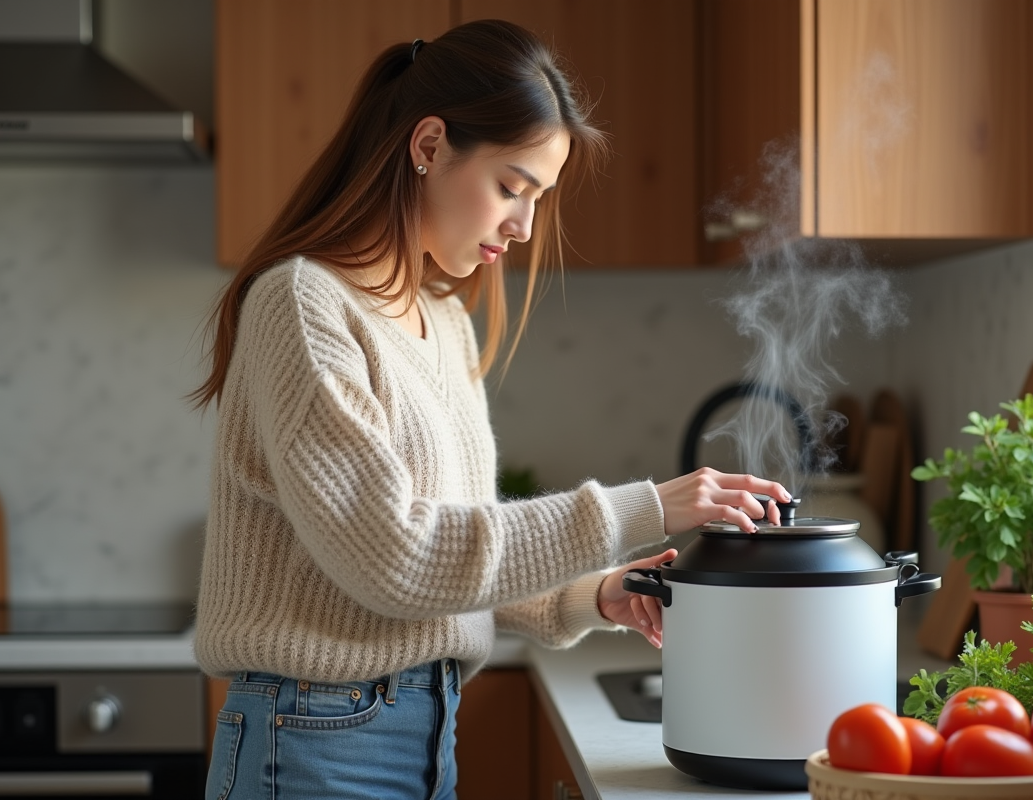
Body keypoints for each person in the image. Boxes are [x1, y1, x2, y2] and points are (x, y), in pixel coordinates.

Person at [190, 19, 790, 800]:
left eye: (538, 197)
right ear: (429, 146)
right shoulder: (305, 305)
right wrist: (647, 507)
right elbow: (397, 559)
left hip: (425, 731)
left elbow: (451, 552)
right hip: (310, 744)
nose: (525, 225)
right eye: (511, 187)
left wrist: (593, 593)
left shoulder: (438, 315)